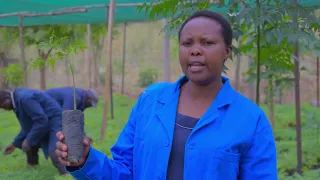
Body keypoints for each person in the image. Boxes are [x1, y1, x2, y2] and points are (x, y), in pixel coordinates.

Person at [55, 10, 278, 179]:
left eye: (208, 43)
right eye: (187, 43)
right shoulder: (151, 101)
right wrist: (86, 160)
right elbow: (124, 171)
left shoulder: (251, 119)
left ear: (227, 51)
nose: (195, 50)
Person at [1, 88, 67, 175]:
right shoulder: (18, 101)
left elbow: (41, 121)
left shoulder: (24, 99)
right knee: (29, 141)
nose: (5, 109)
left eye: (3, 106)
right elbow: (28, 127)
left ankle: (69, 174)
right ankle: (32, 169)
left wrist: (29, 140)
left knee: (54, 152)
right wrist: (15, 144)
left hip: (56, 120)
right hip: (46, 121)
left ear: (7, 98)